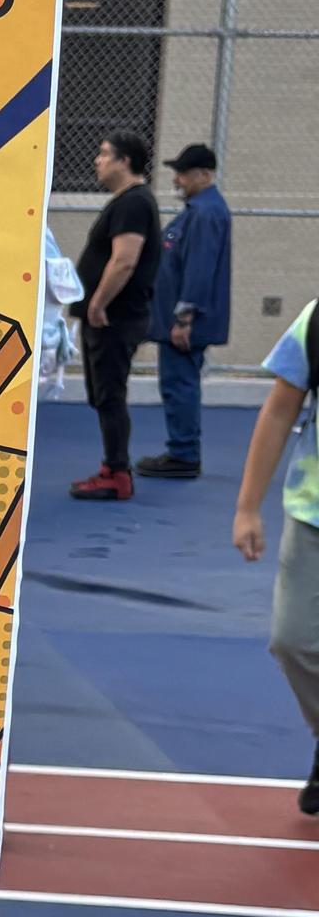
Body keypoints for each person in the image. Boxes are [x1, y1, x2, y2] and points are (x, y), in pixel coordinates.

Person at [232, 296, 319, 817]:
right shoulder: (317, 319)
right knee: (292, 640)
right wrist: (247, 507)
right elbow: (279, 408)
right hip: (313, 514)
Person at [68, 132, 163, 500]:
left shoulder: (134, 203)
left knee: (110, 394)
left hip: (114, 318)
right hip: (109, 317)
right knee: (104, 393)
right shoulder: (126, 202)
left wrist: (99, 303)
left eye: (105, 154)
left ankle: (117, 473)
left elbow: (125, 259)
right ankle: (113, 466)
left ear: (125, 162)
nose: (97, 160)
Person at [136, 143, 232, 480]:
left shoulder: (205, 213)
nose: (177, 179)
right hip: (177, 320)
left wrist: (183, 318)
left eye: (184, 173)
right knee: (178, 382)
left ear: (205, 175)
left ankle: (183, 454)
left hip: (184, 324)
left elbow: (199, 268)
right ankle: (182, 450)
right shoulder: (198, 210)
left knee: (180, 383)